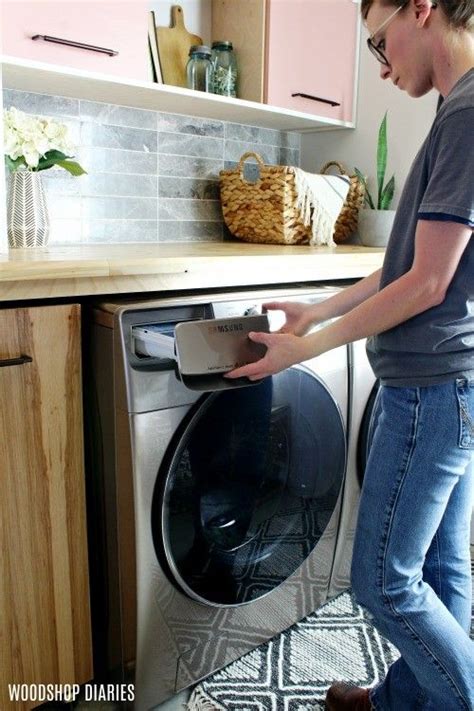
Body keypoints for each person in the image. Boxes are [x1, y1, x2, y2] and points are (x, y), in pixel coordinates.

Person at [225, 0, 474, 708]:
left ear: (421, 9)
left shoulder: (467, 112)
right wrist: (321, 308)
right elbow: (413, 265)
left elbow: (426, 284)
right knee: (442, 567)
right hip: (449, 383)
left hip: (430, 391)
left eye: (379, 43)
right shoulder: (456, 109)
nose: (383, 67)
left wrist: (309, 346)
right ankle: (404, 703)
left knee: (383, 581)